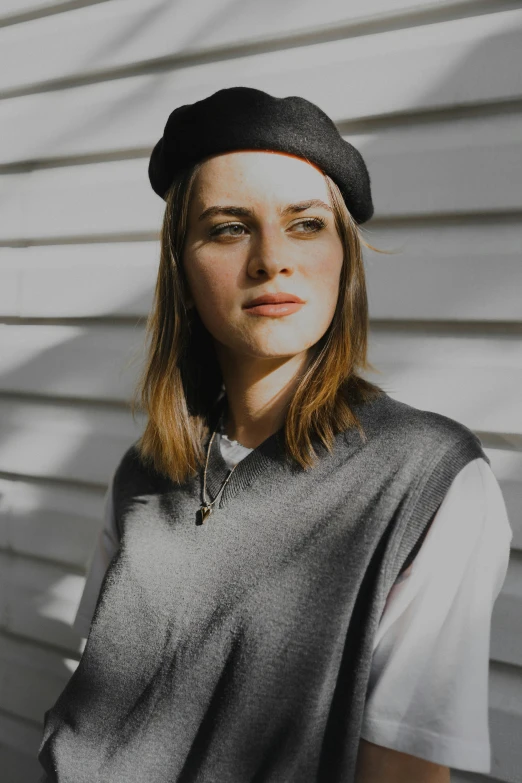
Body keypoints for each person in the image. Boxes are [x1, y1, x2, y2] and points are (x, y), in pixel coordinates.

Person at [38, 87, 512, 783]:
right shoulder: (143, 472)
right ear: (183, 268)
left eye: (305, 224)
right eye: (229, 227)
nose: (270, 259)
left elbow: (403, 770)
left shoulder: (427, 480)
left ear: (344, 255)